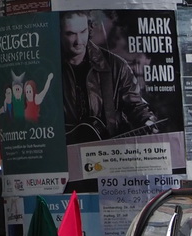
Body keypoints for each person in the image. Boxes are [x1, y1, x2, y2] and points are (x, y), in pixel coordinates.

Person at [61, 10, 158, 142]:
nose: (78, 41)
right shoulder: (49, 67)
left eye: (82, 31)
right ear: (59, 34)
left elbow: (135, 105)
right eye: (71, 34)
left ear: (89, 29)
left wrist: (147, 120)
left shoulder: (116, 66)